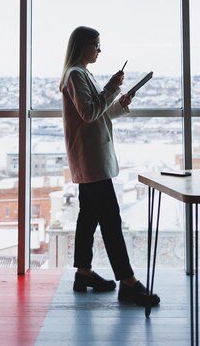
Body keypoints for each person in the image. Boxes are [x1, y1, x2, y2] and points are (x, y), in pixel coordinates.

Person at [59, 25, 160, 308]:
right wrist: (112, 88)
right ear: (83, 46)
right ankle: (128, 282)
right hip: (91, 159)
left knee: (88, 217)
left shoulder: (81, 74)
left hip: (89, 158)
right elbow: (90, 113)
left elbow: (99, 114)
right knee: (111, 220)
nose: (100, 50)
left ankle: (83, 273)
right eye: (96, 44)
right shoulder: (76, 75)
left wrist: (119, 102)